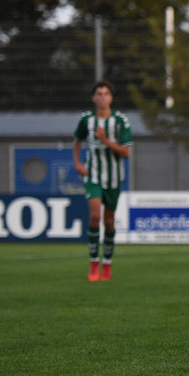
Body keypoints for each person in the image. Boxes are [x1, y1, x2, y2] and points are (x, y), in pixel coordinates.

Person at [73, 80, 132, 282]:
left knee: (109, 221)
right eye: (99, 93)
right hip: (92, 176)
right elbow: (77, 141)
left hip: (114, 178)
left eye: (106, 93)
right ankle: (93, 263)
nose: (102, 97)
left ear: (111, 98)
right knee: (95, 216)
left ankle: (107, 263)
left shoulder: (121, 121)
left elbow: (126, 152)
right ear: (93, 98)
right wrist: (77, 163)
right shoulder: (86, 119)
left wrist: (106, 140)